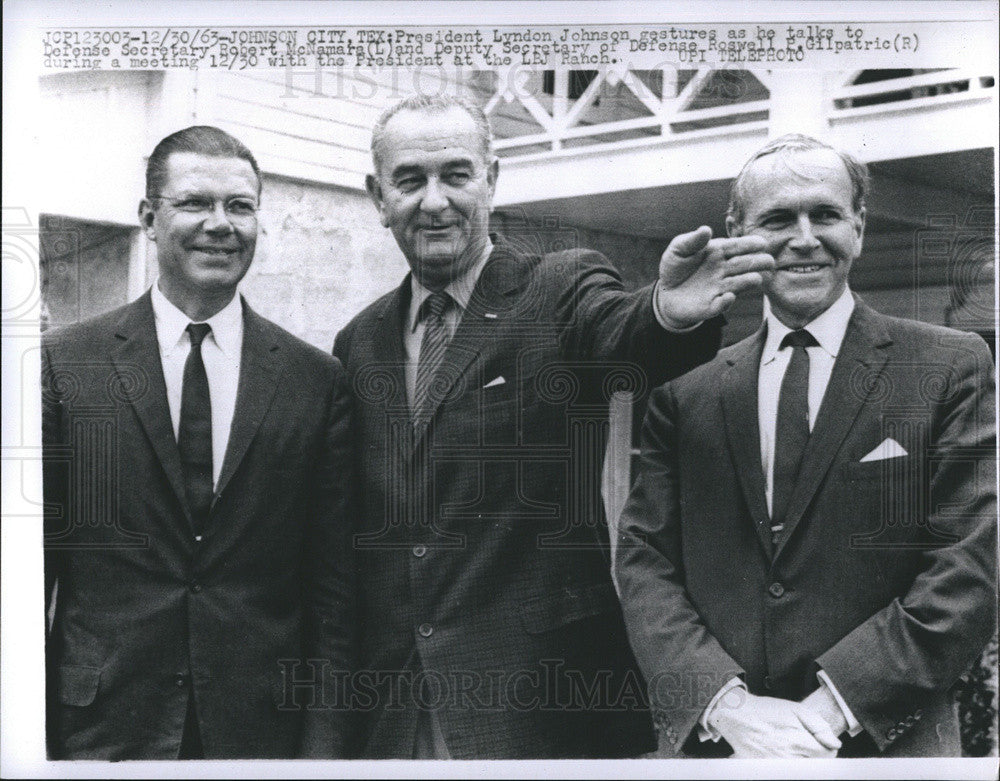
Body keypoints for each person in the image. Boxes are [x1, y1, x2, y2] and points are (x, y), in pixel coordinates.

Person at [332, 94, 774, 758]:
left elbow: (624, 332)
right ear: (377, 196)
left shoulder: (559, 287)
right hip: (399, 715)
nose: (434, 200)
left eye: (455, 174)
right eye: (410, 179)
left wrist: (665, 312)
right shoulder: (358, 341)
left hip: (543, 710)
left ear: (491, 179)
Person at [614, 134, 997, 758]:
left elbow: (970, 563)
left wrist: (830, 709)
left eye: (824, 214)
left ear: (859, 225)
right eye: (776, 219)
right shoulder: (683, 393)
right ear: (738, 232)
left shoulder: (950, 366)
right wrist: (729, 708)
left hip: (886, 750)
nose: (803, 237)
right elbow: (645, 563)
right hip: (726, 750)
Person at [42, 126, 355, 759]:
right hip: (101, 730)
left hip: (260, 734)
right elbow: (27, 572)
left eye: (239, 206)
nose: (221, 224)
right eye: (195, 204)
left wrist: (323, 754)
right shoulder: (65, 365)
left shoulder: (315, 381)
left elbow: (334, 594)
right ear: (149, 219)